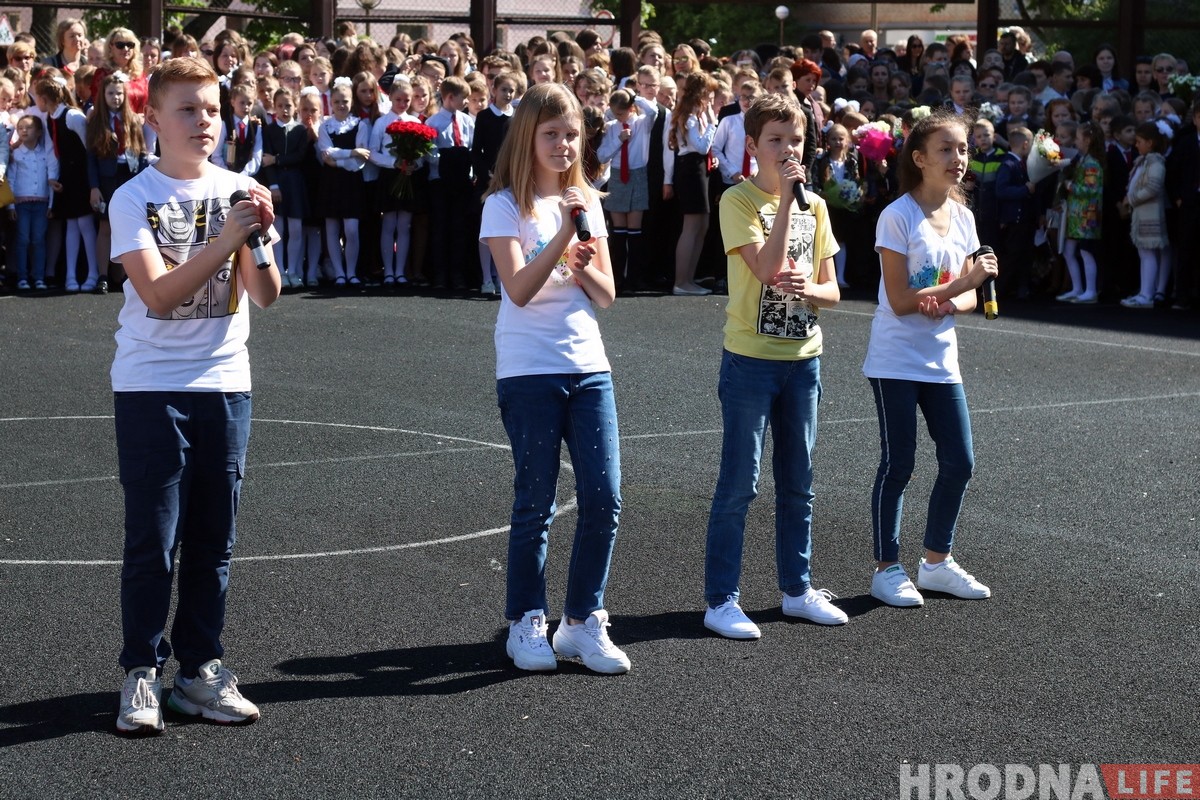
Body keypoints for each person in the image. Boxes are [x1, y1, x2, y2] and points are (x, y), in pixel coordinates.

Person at [109, 56, 280, 735]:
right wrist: (226, 236)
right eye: (187, 109)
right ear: (153, 119)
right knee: (154, 541)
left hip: (224, 387)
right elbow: (157, 295)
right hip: (152, 388)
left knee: (214, 542)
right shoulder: (133, 196)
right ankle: (140, 673)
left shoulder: (241, 189)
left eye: (211, 109)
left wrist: (256, 238)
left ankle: (200, 671)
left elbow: (265, 295)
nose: (204, 121)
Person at [479, 82, 630, 675]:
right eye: (552, 134)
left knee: (605, 496)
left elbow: (607, 294)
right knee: (536, 499)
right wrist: (567, 242)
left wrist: (581, 260)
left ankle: (583, 620)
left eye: (572, 135)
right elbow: (517, 289)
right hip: (528, 370)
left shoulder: (586, 202)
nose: (565, 145)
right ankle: (526, 621)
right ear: (527, 137)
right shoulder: (504, 205)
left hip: (588, 366)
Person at [702, 93, 845, 640]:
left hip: (804, 360)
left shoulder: (819, 206)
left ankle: (797, 590)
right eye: (776, 141)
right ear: (754, 145)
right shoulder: (737, 201)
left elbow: (832, 289)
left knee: (799, 482)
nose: (788, 150)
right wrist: (786, 200)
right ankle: (721, 600)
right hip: (751, 360)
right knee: (740, 482)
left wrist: (810, 288)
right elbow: (763, 268)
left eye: (796, 140)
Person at [863, 108, 998, 608]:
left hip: (941, 361)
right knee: (899, 463)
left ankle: (936, 563)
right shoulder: (896, 215)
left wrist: (955, 297)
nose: (958, 158)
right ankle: (886, 568)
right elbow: (900, 300)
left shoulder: (963, 217)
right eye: (946, 149)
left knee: (960, 461)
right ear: (919, 158)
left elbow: (964, 300)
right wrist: (964, 285)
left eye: (962, 149)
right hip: (895, 360)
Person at [86, 72, 151, 296]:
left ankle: (122, 275)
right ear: (102, 95)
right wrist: (94, 186)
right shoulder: (96, 121)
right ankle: (103, 275)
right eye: (111, 93)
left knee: (126, 225)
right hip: (106, 179)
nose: (115, 97)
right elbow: (91, 158)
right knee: (105, 226)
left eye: (119, 93)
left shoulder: (133, 119)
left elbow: (142, 152)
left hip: (129, 176)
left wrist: (142, 181)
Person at [35, 74, 97, 293]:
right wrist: (54, 177)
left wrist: (91, 182)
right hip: (67, 177)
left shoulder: (72, 116)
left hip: (81, 176)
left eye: (37, 98)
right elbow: (54, 151)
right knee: (71, 224)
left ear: (44, 98)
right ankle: (70, 275)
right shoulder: (50, 117)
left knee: (85, 224)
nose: (36, 102)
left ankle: (93, 272)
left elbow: (88, 148)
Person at [668, 71, 718, 295]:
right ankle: (681, 281)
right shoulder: (688, 115)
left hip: (699, 168)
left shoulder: (696, 115)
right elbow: (700, 146)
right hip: (690, 169)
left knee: (703, 224)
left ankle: (689, 278)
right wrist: (712, 124)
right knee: (691, 225)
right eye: (709, 93)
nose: (712, 98)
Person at [7, 115, 61, 291]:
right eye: (20, 127)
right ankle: (22, 277)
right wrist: (11, 206)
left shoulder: (45, 154)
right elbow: (12, 180)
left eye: (28, 127)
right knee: (22, 239)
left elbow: (50, 181)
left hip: (41, 203)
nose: (24, 130)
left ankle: (38, 277)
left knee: (38, 240)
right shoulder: (16, 154)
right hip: (21, 202)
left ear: (39, 132)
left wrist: (52, 205)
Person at [1121, 121, 1171, 308]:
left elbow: (1153, 187)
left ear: (1150, 143)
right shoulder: (1144, 161)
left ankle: (1147, 295)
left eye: (1140, 141)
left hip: (1149, 214)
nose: (1136, 144)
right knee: (1144, 254)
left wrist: (1131, 199)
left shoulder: (1156, 162)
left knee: (1148, 254)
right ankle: (1144, 292)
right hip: (1141, 215)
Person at [1058, 121, 1105, 303]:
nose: (1076, 142)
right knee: (1069, 251)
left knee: (1086, 252)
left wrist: (1069, 185)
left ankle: (1090, 290)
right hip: (1076, 215)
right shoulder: (1081, 159)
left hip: (1088, 215)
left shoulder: (1092, 162)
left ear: (1088, 140)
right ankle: (1077, 288)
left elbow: (1091, 189)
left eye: (1078, 138)